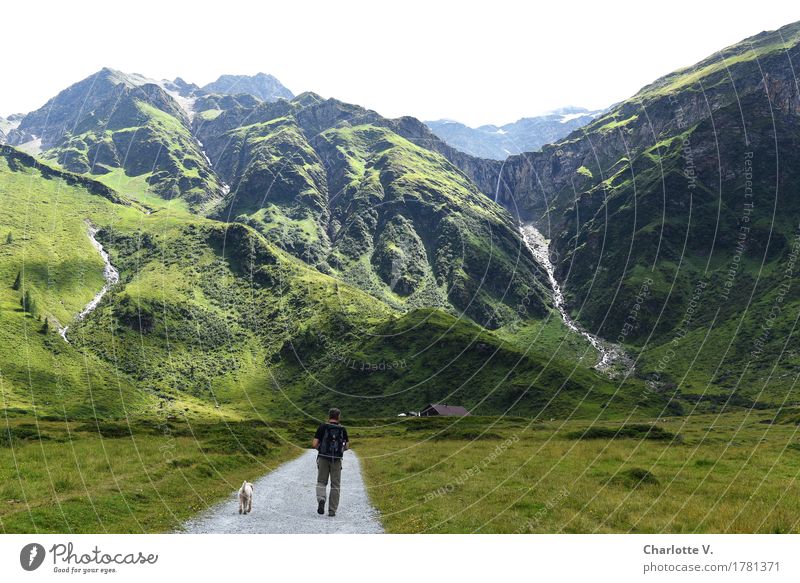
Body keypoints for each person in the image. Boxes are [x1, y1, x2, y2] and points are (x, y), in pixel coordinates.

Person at [312, 408, 349, 517]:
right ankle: (332, 511)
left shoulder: (322, 427)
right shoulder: (342, 429)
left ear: (329, 416)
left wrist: (322, 450)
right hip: (336, 460)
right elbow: (346, 446)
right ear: (339, 417)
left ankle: (321, 499)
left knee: (321, 482)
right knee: (335, 485)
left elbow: (314, 444)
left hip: (323, 458)